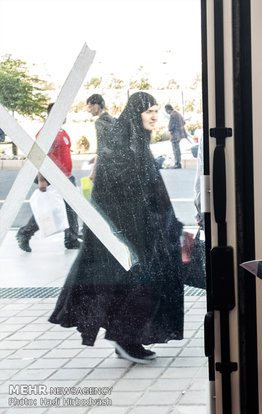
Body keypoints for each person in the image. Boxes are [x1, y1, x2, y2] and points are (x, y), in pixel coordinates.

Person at [49, 92, 185, 364]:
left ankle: (128, 339)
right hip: (125, 231)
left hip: (142, 229)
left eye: (156, 110)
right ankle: (126, 340)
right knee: (135, 284)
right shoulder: (120, 143)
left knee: (141, 284)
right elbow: (115, 189)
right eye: (149, 111)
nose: (155, 116)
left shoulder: (136, 141)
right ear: (136, 113)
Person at [16, 103, 81, 252]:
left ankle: (71, 239)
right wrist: (41, 179)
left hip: (66, 176)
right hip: (53, 177)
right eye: (61, 113)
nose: (65, 116)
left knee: (72, 208)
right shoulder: (45, 132)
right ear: (52, 115)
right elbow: (38, 156)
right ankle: (25, 233)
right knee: (49, 209)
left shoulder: (62, 132)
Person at [86, 94, 116, 181]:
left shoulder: (100, 122)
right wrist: (95, 158)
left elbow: (101, 148)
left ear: (96, 106)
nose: (89, 110)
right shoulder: (112, 119)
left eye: (90, 106)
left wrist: (94, 171)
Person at [165, 104, 186, 168]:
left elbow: (171, 125)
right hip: (179, 134)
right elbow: (184, 122)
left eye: (166, 110)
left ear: (168, 110)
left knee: (175, 149)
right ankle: (178, 163)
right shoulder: (178, 113)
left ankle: (177, 163)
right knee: (177, 149)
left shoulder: (172, 115)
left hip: (175, 135)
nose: (166, 112)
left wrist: (170, 129)